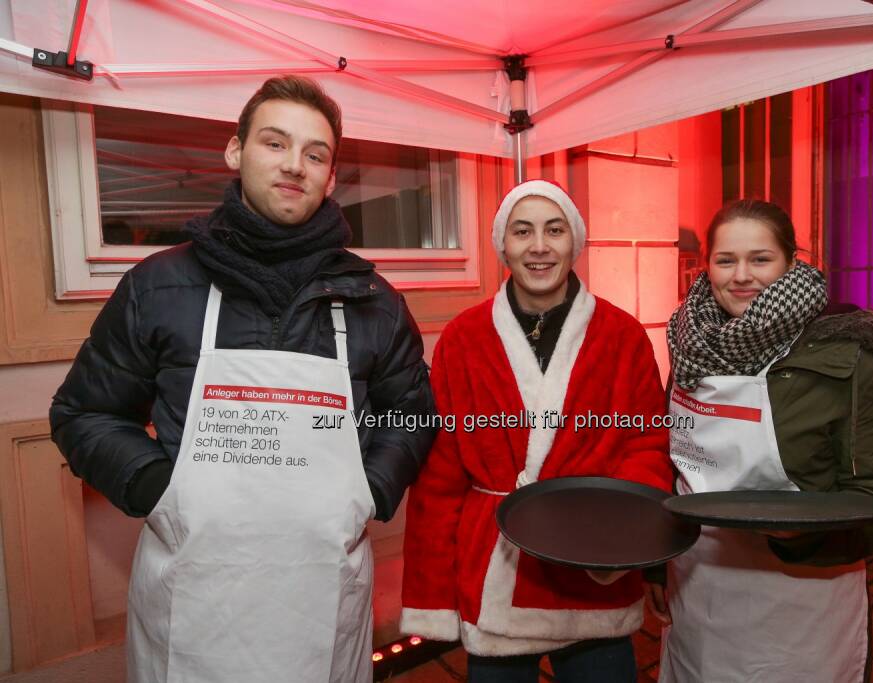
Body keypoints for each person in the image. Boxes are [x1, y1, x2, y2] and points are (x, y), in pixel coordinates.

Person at [50, 75, 436, 683]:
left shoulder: (374, 302)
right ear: (235, 151)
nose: (295, 166)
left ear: (331, 177)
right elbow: (84, 413)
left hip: (324, 593)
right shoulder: (159, 285)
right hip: (193, 594)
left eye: (316, 154)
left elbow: (410, 414)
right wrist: (160, 489)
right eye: (275, 143)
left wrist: (369, 490)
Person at [400, 180, 673, 682]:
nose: (540, 246)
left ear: (577, 241)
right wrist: (433, 594)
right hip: (496, 570)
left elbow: (648, 444)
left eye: (555, 230)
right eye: (522, 231)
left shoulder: (623, 336)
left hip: (593, 573)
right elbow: (440, 475)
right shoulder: (462, 339)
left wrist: (613, 539)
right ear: (502, 244)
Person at [651, 199, 873, 682]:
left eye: (760, 259)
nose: (741, 275)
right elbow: (675, 466)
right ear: (706, 266)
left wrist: (805, 537)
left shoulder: (849, 355)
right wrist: (654, 568)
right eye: (726, 260)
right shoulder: (689, 344)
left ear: (792, 261)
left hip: (801, 598)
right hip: (700, 584)